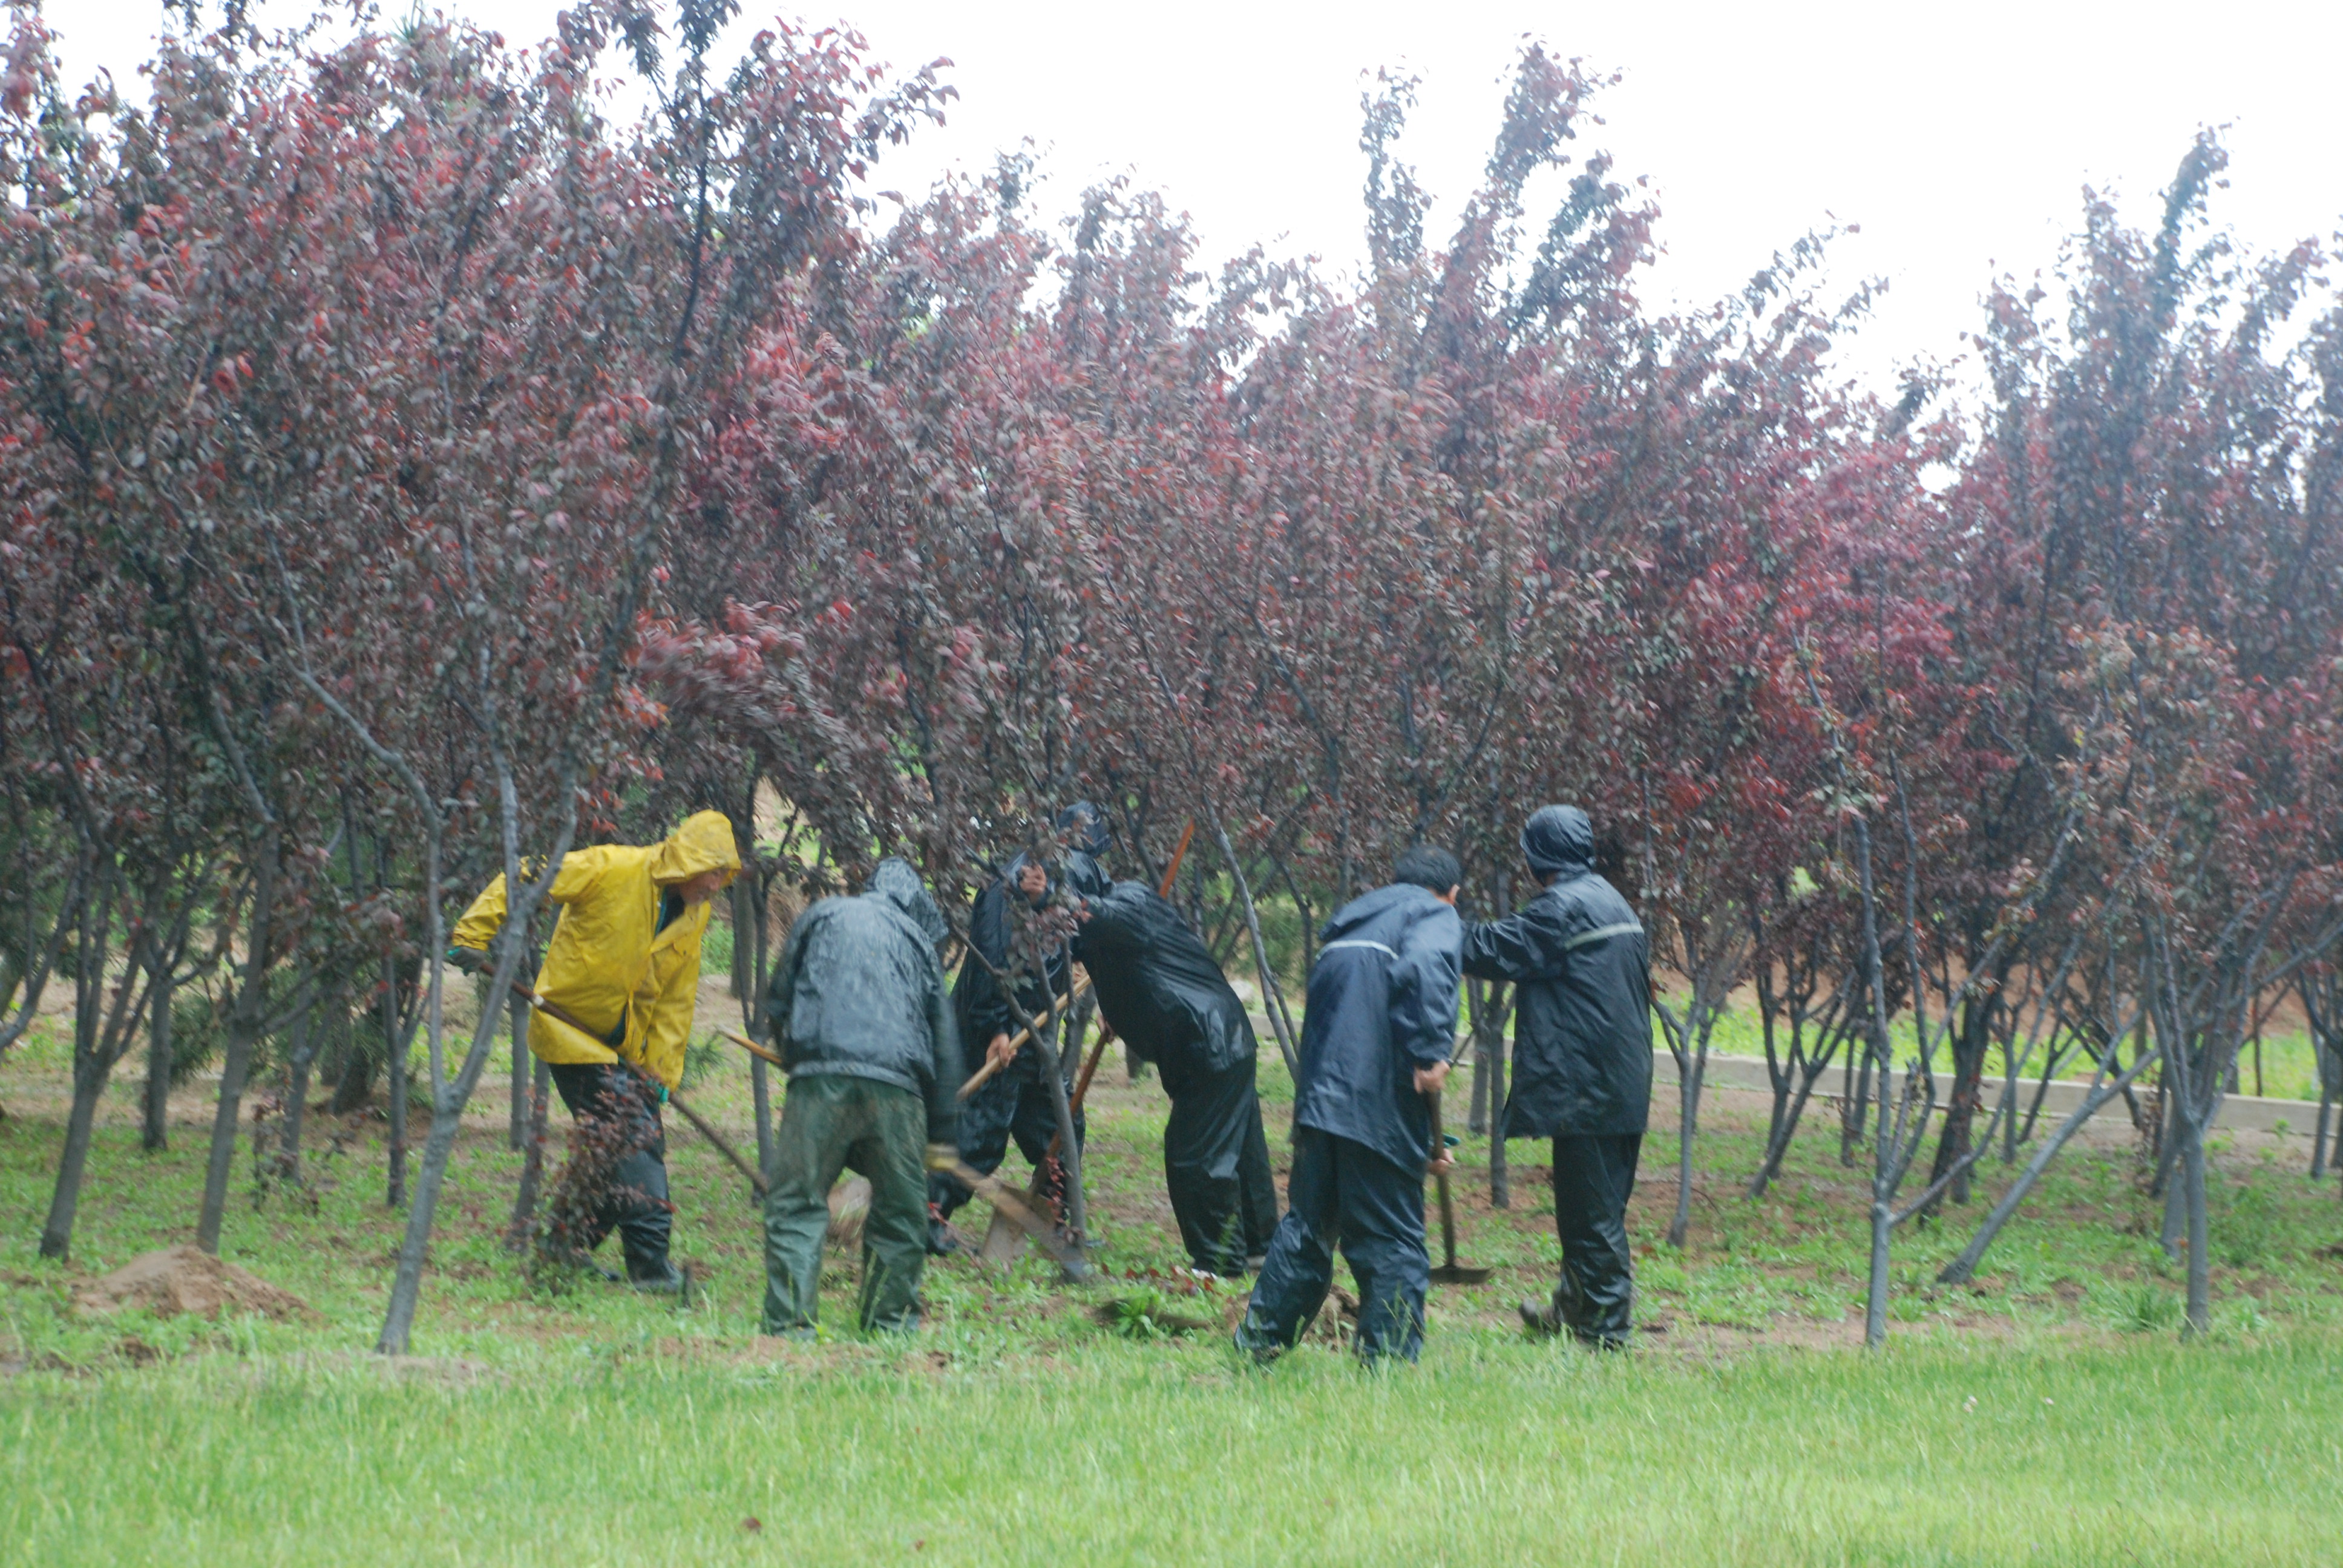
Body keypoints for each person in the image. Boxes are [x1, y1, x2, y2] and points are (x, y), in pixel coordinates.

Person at [449, 810, 741, 1291]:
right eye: (713, 873)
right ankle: (650, 1268)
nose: (716, 886)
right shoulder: (612, 868)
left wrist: (661, 1074)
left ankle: (562, 1250)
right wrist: (473, 934)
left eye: (724, 877)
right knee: (636, 1141)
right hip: (573, 1034)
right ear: (688, 862)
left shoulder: (694, 914)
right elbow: (530, 875)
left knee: (612, 1149)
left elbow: (675, 999)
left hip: (623, 1049)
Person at [1234, 846, 1463, 1365]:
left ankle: (1259, 1345)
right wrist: (1431, 1052)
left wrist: (1420, 1144)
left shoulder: (1348, 930)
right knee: (1391, 1235)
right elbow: (1428, 966)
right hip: (1377, 1100)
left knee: (1308, 1228)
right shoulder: (1433, 915)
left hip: (1321, 1104)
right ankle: (1387, 1365)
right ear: (1451, 894)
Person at [1463, 803, 1652, 1349]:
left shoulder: (1560, 909)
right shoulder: (1611, 900)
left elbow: (1490, 949)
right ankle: (1571, 1309)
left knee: (1590, 1218)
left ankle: (1606, 1335)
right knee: (1595, 1206)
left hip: (1587, 1088)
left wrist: (1429, 924)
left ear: (1535, 857)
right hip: (1623, 1081)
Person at [760, 858, 962, 1336]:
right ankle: (888, 1327)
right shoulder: (918, 944)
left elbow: (778, 998)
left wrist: (795, 1057)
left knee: (796, 1204)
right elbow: (945, 1044)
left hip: (820, 1077)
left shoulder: (823, 915)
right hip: (897, 1089)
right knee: (899, 1212)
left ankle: (789, 1329)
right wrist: (943, 1135)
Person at [1072, 868, 1279, 1276]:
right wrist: (1116, 1011)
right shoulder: (1101, 934)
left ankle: (1219, 1261)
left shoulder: (1129, 903)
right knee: (1243, 1150)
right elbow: (1131, 968)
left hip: (1206, 1042)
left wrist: (1055, 900)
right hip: (1220, 1039)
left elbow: (1113, 922)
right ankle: (1260, 1248)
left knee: (1195, 1155)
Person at [926, 826, 1086, 1251]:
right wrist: (996, 1028)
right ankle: (929, 1217)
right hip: (996, 1038)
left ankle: (1059, 1223)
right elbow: (991, 968)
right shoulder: (1001, 895)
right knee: (980, 1138)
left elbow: (1060, 951)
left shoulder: (1054, 894)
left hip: (1034, 1044)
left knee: (1062, 1127)